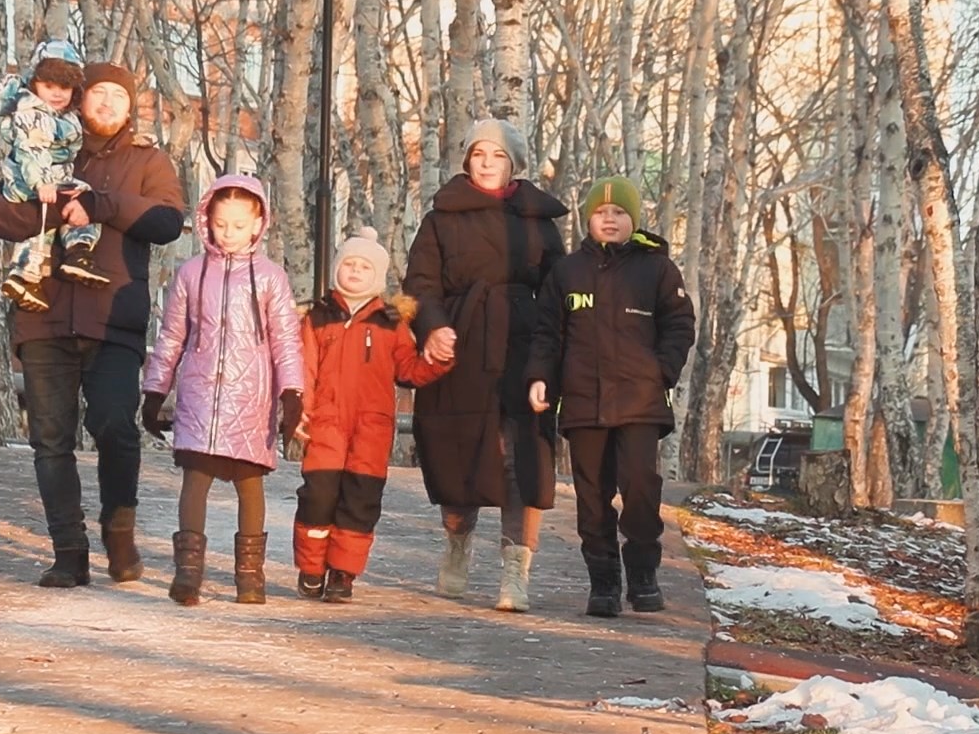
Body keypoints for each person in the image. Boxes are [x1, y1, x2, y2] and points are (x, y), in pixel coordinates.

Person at [0, 62, 187, 588]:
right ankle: (69, 552)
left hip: (113, 319)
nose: (108, 103)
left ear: (130, 105)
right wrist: (56, 209)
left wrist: (102, 205)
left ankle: (119, 530)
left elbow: (167, 222)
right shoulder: (46, 139)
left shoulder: (148, 159)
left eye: (119, 95)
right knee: (50, 439)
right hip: (42, 315)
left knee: (116, 425)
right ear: (80, 97)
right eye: (99, 92)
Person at [402, 118, 567, 613]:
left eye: (498, 155)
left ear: (513, 164)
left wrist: (552, 356)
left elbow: (558, 293)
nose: (488, 163)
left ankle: (517, 567)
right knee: (458, 450)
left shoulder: (538, 220)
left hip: (523, 345)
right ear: (467, 160)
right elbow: (420, 283)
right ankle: (457, 542)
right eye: (479, 154)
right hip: (462, 342)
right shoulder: (441, 217)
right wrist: (433, 328)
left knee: (524, 457)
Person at [527, 176, 695, 616]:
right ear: (588, 219)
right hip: (583, 403)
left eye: (619, 212)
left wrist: (661, 370)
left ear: (632, 219)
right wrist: (541, 377)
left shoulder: (657, 269)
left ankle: (643, 573)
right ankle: (603, 581)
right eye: (601, 213)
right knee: (591, 497)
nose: (610, 219)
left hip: (640, 402)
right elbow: (547, 334)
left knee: (640, 488)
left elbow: (680, 325)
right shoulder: (567, 272)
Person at [140, 174, 305, 606]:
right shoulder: (191, 274)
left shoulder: (270, 278)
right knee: (195, 480)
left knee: (250, 485)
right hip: (200, 396)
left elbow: (286, 341)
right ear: (207, 221)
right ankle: (188, 573)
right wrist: (155, 389)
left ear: (258, 225)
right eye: (220, 224)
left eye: (238, 225)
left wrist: (292, 393)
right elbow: (172, 336)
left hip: (251, 398)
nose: (228, 233)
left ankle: (250, 577)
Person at [291, 227, 453, 602]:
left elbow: (408, 370)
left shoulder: (391, 322)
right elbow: (305, 369)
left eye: (365, 267)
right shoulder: (317, 318)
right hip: (327, 424)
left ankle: (343, 573)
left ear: (377, 276)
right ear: (337, 269)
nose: (355, 271)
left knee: (360, 500)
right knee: (318, 496)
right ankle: (312, 567)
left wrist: (438, 360)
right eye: (349, 264)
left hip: (371, 429)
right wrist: (300, 411)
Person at [0, 40, 107, 311]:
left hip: (48, 176)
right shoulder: (33, 113)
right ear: (34, 84)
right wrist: (41, 182)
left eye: (64, 88)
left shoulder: (61, 115)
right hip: (32, 178)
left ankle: (30, 274)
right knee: (68, 205)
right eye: (49, 86)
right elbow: (31, 148)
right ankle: (71, 252)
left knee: (53, 219)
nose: (57, 94)